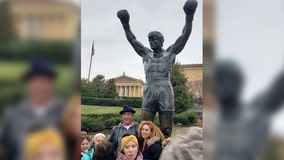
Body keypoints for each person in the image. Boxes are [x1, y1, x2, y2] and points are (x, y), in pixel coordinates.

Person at [117, 0, 198, 138]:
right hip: (149, 89)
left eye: (154, 39)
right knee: (144, 126)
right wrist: (125, 24)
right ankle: (144, 153)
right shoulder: (145, 54)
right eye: (149, 40)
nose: (151, 42)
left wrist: (189, 16)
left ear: (161, 41)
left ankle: (165, 151)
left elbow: (185, 35)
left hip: (165, 89)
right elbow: (133, 40)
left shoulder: (171, 52)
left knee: (166, 129)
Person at [0, 59, 65, 160]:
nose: (40, 86)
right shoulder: (12, 116)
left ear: (52, 84)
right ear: (27, 84)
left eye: (45, 81)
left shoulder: (66, 112)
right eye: (36, 81)